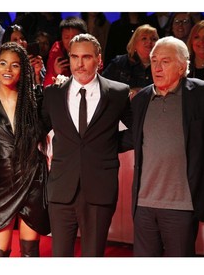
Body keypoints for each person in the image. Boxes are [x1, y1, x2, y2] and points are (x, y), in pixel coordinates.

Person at [129, 36, 204, 256]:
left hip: (182, 205)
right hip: (143, 204)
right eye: (154, 61)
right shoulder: (141, 98)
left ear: (182, 67)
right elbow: (131, 139)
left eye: (165, 61)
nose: (157, 67)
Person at [41, 33, 132, 256]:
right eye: (74, 57)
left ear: (99, 59)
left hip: (99, 190)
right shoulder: (52, 94)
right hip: (61, 190)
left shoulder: (118, 93)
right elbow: (38, 130)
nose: (79, 64)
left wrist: (110, 144)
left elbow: (136, 131)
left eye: (86, 57)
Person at [0, 42, 50, 257]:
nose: (8, 70)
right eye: (3, 63)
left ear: (23, 70)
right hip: (1, 182)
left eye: (15, 65)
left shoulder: (36, 101)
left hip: (33, 180)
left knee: (29, 253)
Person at [102, 24, 158, 98]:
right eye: (144, 38)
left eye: (153, 39)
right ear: (134, 43)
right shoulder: (119, 63)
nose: (149, 42)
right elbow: (102, 87)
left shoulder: (163, 65)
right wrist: (126, 93)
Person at [43, 16, 87, 87]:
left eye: (74, 37)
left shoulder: (92, 50)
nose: (71, 41)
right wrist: (55, 73)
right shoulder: (57, 50)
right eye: (66, 37)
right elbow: (47, 86)